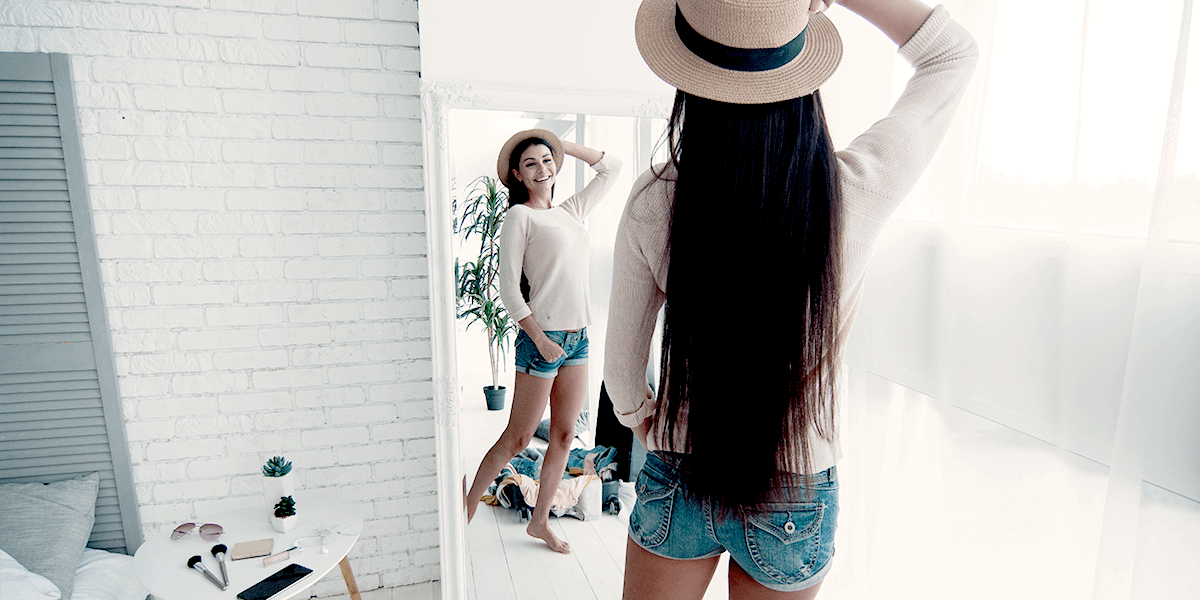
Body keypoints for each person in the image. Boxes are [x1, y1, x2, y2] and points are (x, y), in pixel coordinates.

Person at [605, 0, 977, 597]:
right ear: (799, 76)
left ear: (688, 81)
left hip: (681, 469)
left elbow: (622, 374)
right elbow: (952, 55)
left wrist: (651, 426)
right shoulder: (853, 194)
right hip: (796, 489)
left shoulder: (655, 200)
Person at [464, 128, 622, 554]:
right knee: (518, 437)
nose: (541, 169)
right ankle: (463, 512)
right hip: (542, 340)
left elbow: (612, 168)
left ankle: (540, 523)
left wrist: (562, 145)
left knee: (566, 437)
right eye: (530, 163)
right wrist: (541, 339)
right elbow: (509, 290)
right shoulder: (520, 217)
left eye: (546, 160)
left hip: (579, 339)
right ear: (517, 174)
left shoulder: (571, 211)